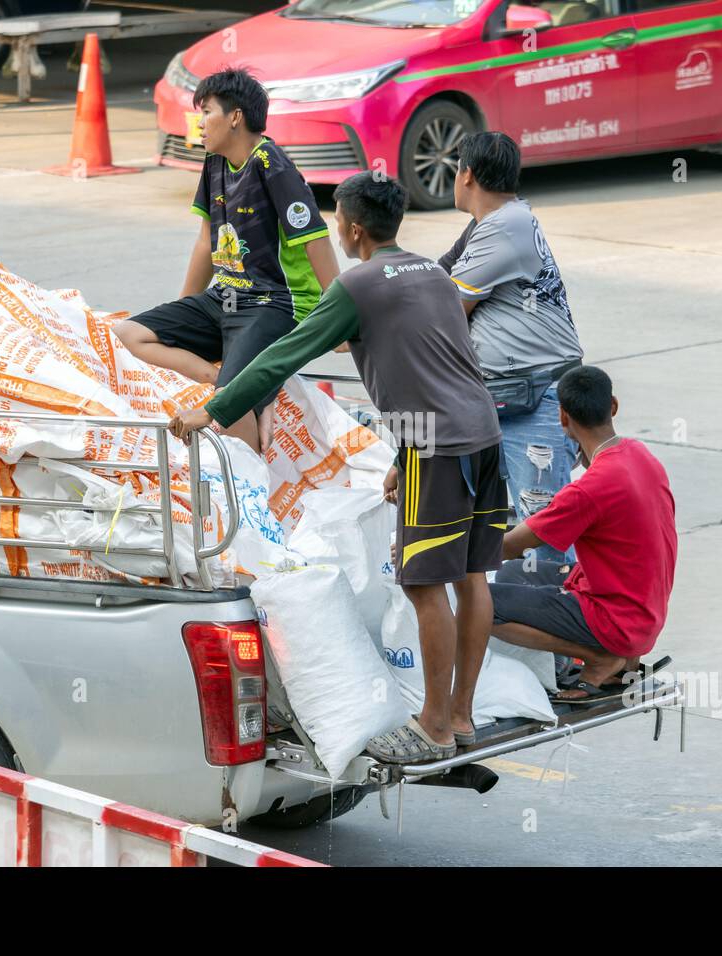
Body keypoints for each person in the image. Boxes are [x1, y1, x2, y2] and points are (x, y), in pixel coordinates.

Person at [171, 173, 507, 763]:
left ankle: (432, 725)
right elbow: (442, 366)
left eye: (337, 224)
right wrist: (404, 454)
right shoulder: (431, 272)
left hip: (439, 448)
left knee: (424, 585)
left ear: (352, 229)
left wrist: (214, 409)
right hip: (481, 434)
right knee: (472, 577)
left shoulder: (358, 286)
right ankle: (461, 715)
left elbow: (282, 355)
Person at [114, 68, 339, 451]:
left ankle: (250, 489)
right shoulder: (214, 161)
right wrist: (183, 308)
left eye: (206, 113)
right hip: (224, 298)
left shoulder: (273, 166)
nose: (198, 124)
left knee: (228, 408)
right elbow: (207, 242)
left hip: (273, 304)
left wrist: (339, 321)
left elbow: (317, 242)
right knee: (125, 335)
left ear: (235, 117)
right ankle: (226, 383)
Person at [437, 131, 583, 563]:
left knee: (543, 542)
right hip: (514, 395)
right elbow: (437, 274)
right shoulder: (499, 221)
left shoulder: (503, 227)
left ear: (467, 175)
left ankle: (572, 622)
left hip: (535, 397)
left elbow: (446, 309)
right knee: (511, 528)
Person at [491, 365, 677, 701]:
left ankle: (600, 656)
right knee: (512, 573)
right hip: (646, 611)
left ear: (562, 417)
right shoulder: (641, 455)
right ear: (614, 406)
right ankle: (621, 657)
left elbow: (504, 547)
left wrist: (431, 547)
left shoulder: (587, 491)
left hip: (616, 621)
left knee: (481, 606)